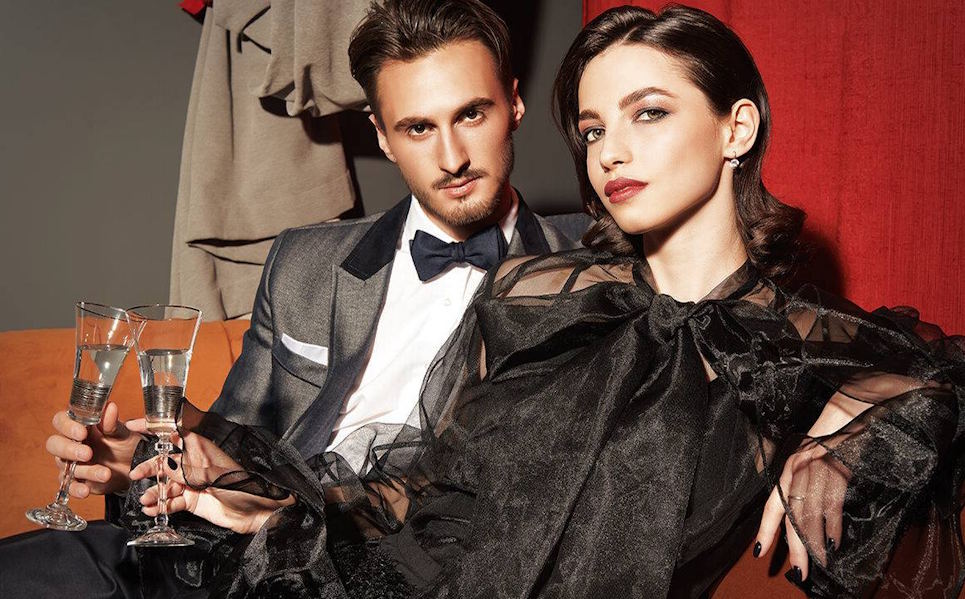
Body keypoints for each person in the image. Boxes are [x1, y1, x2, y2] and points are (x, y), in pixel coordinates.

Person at [104, 3, 965, 599]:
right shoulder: (541, 291)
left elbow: (941, 372)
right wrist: (273, 507)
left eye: (648, 113)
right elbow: (434, 491)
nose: (609, 150)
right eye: (591, 129)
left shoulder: (791, 336)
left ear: (736, 128)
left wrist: (854, 416)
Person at [0, 0, 579, 596]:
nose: (452, 158)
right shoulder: (305, 263)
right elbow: (231, 442)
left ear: (514, 103)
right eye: (418, 128)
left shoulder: (586, 284)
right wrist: (142, 466)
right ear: (382, 136)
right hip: (229, 551)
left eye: (472, 114)